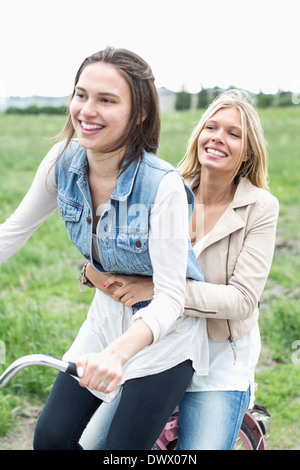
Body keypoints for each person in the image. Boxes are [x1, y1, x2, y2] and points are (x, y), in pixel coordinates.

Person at [0, 47, 209, 450]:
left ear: (140, 112)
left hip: (162, 340)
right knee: (51, 439)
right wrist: (107, 349)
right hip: (104, 324)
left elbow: (170, 300)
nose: (86, 110)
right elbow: (12, 232)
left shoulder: (161, 186)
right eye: (81, 95)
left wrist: (117, 355)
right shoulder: (63, 159)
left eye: (106, 100)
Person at [79, 89, 279, 450]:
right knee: (91, 445)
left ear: (247, 151)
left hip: (218, 359)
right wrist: (94, 272)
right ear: (199, 135)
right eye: (211, 127)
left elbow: (242, 300)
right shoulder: (167, 187)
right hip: (160, 347)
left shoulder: (260, 207)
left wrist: (160, 290)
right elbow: (117, 254)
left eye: (233, 134)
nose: (218, 137)